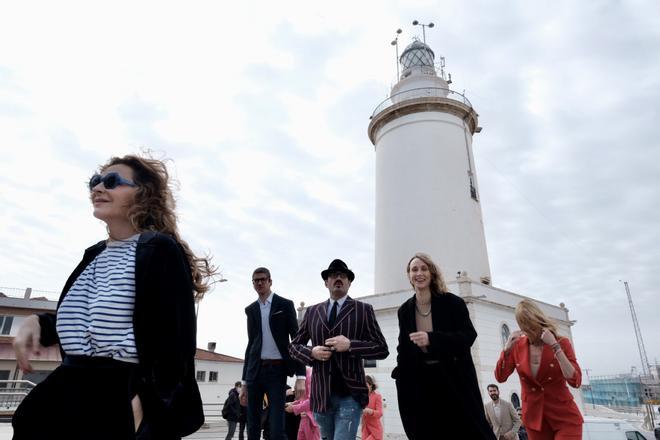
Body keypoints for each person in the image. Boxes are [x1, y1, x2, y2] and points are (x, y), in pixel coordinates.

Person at [11, 154, 212, 440]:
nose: (98, 188)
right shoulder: (93, 254)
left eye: (112, 182)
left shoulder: (159, 249)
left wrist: (145, 401)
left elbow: (176, 340)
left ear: (142, 194)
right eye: (95, 182)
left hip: (118, 395)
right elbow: (85, 317)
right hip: (64, 388)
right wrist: (39, 323)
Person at [392, 253, 495, 440]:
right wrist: (400, 376)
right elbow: (403, 348)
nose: (419, 273)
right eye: (414, 269)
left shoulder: (453, 303)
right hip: (423, 382)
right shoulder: (404, 310)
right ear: (409, 275)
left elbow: (468, 336)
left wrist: (432, 339)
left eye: (424, 268)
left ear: (432, 273)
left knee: (466, 431)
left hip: (454, 379)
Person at [289, 259, 389, 440]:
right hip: (321, 396)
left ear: (349, 282)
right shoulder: (312, 312)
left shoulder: (363, 310)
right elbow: (293, 346)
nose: (338, 278)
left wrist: (351, 345)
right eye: (333, 275)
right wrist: (311, 352)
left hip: (350, 394)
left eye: (343, 276)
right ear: (326, 282)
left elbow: (381, 348)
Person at [495, 299, 583, 440]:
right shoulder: (517, 346)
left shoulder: (561, 342)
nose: (530, 332)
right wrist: (506, 351)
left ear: (539, 321)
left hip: (564, 417)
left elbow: (575, 381)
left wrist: (555, 346)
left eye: (532, 327)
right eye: (526, 328)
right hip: (534, 418)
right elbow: (500, 377)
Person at [241, 267, 306, 440]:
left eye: (263, 279)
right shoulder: (251, 309)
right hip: (255, 372)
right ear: (253, 284)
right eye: (256, 280)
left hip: (277, 372)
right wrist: (244, 382)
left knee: (277, 426)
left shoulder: (284, 305)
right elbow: (251, 345)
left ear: (270, 281)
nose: (259, 283)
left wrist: (301, 376)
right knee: (253, 424)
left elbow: (297, 340)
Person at [285, 367, 320, 440]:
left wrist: (294, 408)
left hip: (311, 420)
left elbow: (312, 400)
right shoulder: (303, 376)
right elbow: (304, 398)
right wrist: (293, 404)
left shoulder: (310, 375)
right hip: (304, 418)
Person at [361, 375, 383, 440]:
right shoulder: (362, 397)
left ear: (371, 385)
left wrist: (368, 410)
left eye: (366, 384)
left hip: (375, 431)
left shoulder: (377, 396)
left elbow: (380, 413)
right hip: (365, 430)